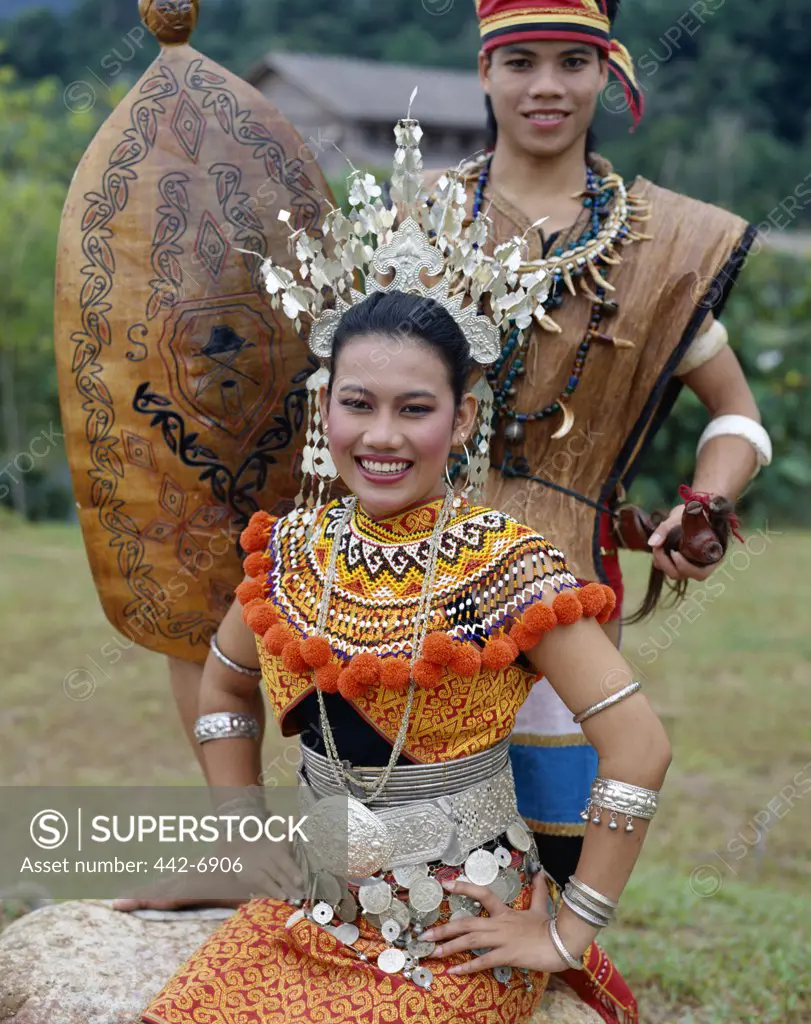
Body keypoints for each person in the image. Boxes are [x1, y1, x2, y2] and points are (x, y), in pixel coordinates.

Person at [139, 121, 664, 1024]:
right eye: (358, 404)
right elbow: (226, 679)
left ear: (460, 421)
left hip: (458, 928)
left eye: (414, 409)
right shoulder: (295, 551)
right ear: (325, 408)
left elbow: (639, 748)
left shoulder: (509, 566)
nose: (381, 437)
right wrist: (240, 832)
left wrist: (568, 929)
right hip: (302, 906)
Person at [416, 0, 771, 884]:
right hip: (407, 574)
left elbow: (739, 420)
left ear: (608, 74)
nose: (546, 86)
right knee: (404, 849)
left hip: (564, 585)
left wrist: (708, 504)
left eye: (571, 63)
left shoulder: (659, 249)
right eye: (520, 61)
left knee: (551, 847)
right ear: (483, 71)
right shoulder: (415, 225)